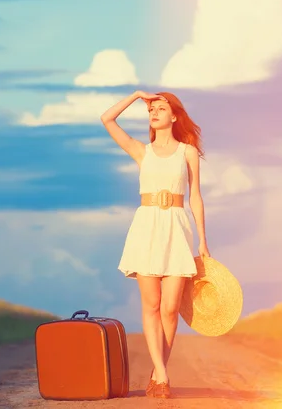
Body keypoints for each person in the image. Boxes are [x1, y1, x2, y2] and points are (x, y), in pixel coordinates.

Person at [100, 90, 210, 399]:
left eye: (161, 108)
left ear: (174, 116)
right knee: (151, 305)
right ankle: (161, 374)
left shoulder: (187, 152)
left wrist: (203, 240)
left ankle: (158, 369)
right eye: (152, 109)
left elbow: (196, 197)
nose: (154, 112)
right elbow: (107, 118)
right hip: (146, 227)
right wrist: (136, 95)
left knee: (171, 309)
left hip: (176, 227)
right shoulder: (141, 150)